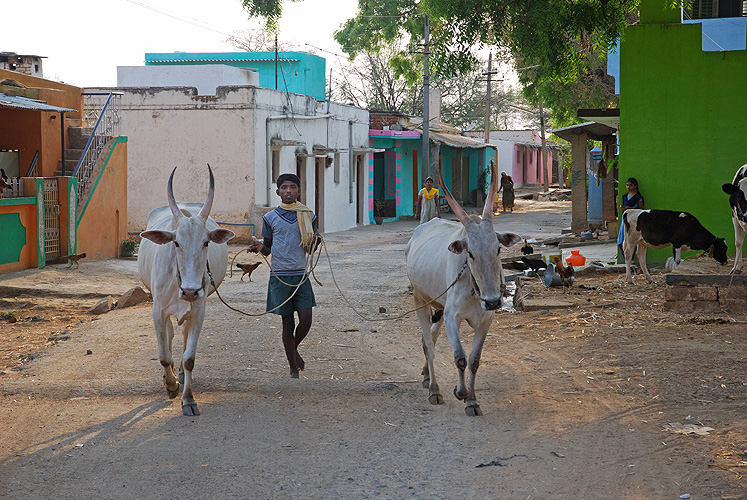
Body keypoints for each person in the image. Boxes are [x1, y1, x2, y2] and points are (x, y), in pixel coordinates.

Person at [248, 173, 321, 378]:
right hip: (279, 276)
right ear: (278, 192)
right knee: (287, 322)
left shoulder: (308, 215)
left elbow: (309, 249)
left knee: (306, 319)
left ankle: (293, 349)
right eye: (284, 187)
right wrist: (258, 248)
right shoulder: (270, 218)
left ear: (299, 190)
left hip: (300, 275)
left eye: (293, 187)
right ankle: (293, 367)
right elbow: (268, 249)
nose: (289, 191)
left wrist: (316, 241)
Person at [617, 176, 644, 259]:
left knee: (632, 239)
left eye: (631, 185)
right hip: (625, 219)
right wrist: (623, 208)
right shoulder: (625, 196)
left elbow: (641, 209)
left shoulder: (638, 197)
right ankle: (627, 258)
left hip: (633, 220)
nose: (628, 187)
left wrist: (630, 209)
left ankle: (631, 259)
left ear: (635, 186)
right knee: (621, 240)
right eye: (627, 185)